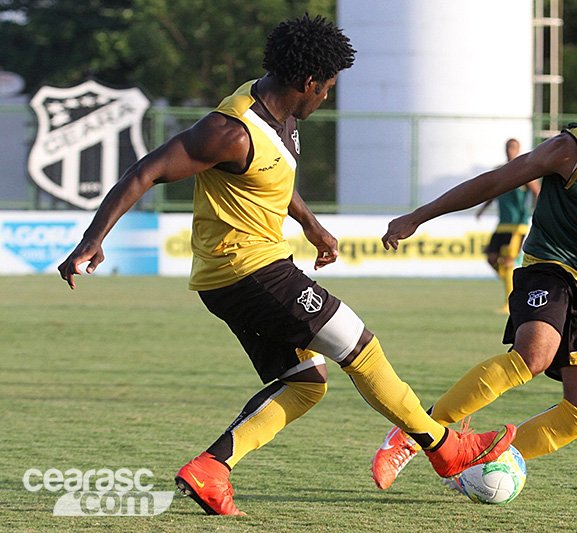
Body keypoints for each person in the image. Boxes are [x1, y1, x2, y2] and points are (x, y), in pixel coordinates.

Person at [57, 14, 515, 516]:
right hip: (249, 272)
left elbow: (268, 176)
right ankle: (445, 448)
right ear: (308, 83)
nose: (328, 98)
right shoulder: (230, 131)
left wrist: (310, 225)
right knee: (359, 346)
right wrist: (91, 241)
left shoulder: (281, 116)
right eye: (328, 88)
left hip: (237, 278)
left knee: (305, 385)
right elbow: (146, 171)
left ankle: (212, 469)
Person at [370, 65, 577, 491]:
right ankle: (414, 433)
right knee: (535, 355)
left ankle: (477, 461)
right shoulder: (568, 149)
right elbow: (493, 182)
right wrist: (418, 216)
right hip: (550, 265)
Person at [475, 138, 540, 313]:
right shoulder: (501, 170)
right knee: (491, 257)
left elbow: (537, 191)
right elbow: (492, 191)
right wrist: (482, 209)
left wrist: (537, 211)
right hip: (502, 224)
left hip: (517, 225)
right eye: (508, 148)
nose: (510, 151)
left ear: (518, 150)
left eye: (513, 148)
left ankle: (510, 303)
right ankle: (515, 286)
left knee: (508, 261)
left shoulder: (524, 170)